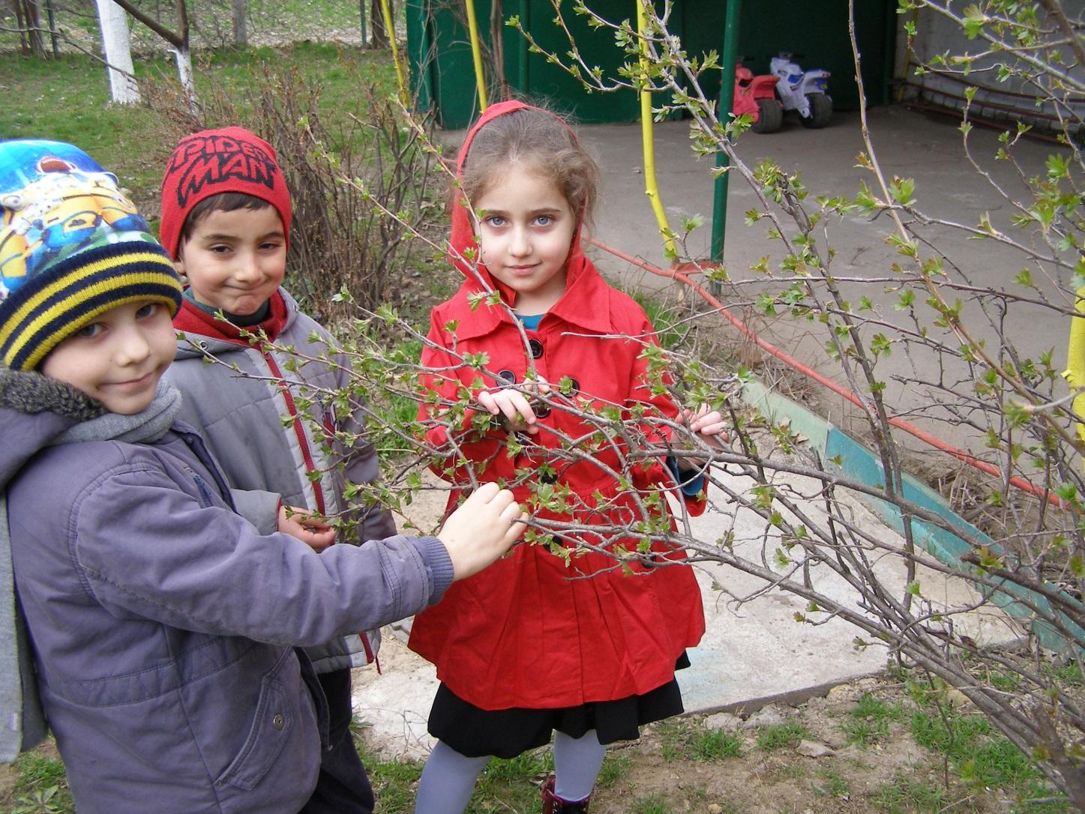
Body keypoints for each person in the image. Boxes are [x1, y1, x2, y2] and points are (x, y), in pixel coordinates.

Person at [0, 138, 526, 814]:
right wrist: (438, 558)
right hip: (207, 780)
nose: (132, 350)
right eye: (90, 329)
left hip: (226, 726)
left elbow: (185, 536)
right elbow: (269, 589)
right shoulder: (100, 488)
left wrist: (254, 517)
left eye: (146, 313)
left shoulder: (114, 427)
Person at [408, 100, 728, 814]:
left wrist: (682, 445)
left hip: (603, 565)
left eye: (540, 221)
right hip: (502, 570)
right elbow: (437, 446)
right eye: (497, 223)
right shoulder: (454, 325)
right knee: (467, 729)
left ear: (575, 211)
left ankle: (569, 801)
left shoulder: (622, 322)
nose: (518, 246)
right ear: (472, 222)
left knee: (592, 707)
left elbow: (644, 445)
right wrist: (474, 415)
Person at [157, 125, 393, 813]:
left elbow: (356, 454)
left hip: (324, 597)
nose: (249, 269)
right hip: (244, 620)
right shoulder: (162, 371)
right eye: (220, 248)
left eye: (269, 244)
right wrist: (263, 518)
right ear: (176, 251)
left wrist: (375, 544)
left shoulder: (312, 341)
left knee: (331, 744)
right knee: (276, 763)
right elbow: (164, 493)